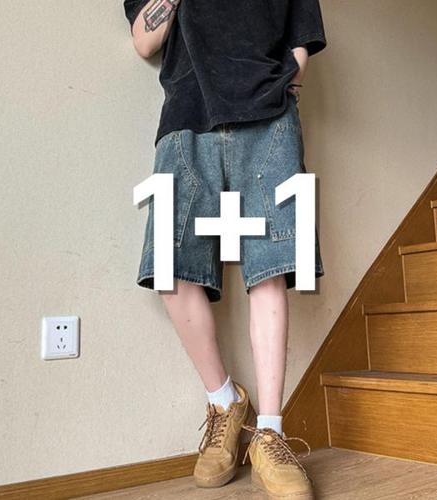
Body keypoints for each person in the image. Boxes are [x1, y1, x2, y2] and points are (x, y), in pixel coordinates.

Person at [123, 1, 326, 498]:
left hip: (270, 118)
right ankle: (224, 400)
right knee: (171, 267)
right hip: (185, 117)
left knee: (272, 267)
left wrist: (284, 84)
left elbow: (302, 45)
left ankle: (270, 434)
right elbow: (145, 41)